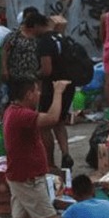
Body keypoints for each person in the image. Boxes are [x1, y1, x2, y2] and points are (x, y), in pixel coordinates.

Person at [4, 76, 69, 218]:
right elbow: (53, 118)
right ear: (28, 94)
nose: (39, 94)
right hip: (28, 179)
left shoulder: (13, 111)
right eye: (36, 90)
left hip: (20, 177)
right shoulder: (21, 115)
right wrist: (58, 92)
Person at [37, 16, 76, 169]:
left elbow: (47, 70)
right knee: (59, 122)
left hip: (52, 87)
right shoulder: (62, 38)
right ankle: (66, 154)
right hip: (69, 84)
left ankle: (50, 162)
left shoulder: (44, 42)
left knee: (45, 125)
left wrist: (35, 74)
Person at [1, 9, 43, 83]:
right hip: (16, 75)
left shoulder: (39, 35)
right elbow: (5, 50)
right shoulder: (15, 35)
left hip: (33, 76)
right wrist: (4, 69)